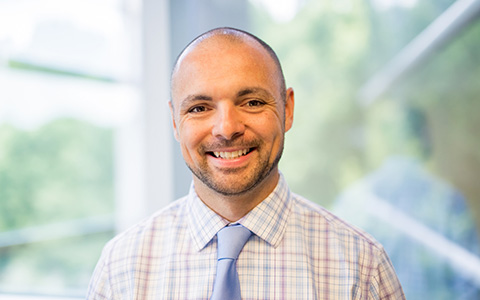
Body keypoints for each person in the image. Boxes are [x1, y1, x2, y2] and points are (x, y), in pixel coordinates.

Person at [87, 27, 405, 299]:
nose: (227, 128)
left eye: (252, 102)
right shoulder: (121, 267)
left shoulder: (363, 265)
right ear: (174, 121)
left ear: (288, 108)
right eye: (199, 108)